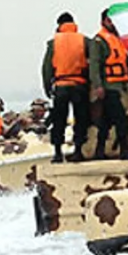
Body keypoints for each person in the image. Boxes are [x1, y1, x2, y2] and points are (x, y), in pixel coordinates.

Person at [41, 11, 92, 163]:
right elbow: (93, 63)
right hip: (79, 85)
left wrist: (47, 87)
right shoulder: (84, 40)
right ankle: (78, 151)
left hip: (61, 85)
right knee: (80, 119)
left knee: (59, 120)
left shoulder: (53, 42)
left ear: (59, 25)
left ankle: (58, 153)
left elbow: (46, 68)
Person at [90, 9, 128, 160]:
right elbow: (94, 65)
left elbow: (125, 61)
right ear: (103, 22)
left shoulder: (116, 40)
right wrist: (98, 85)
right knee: (120, 119)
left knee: (106, 121)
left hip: (117, 85)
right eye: (109, 20)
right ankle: (124, 149)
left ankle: (99, 151)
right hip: (108, 86)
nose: (112, 23)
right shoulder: (99, 41)